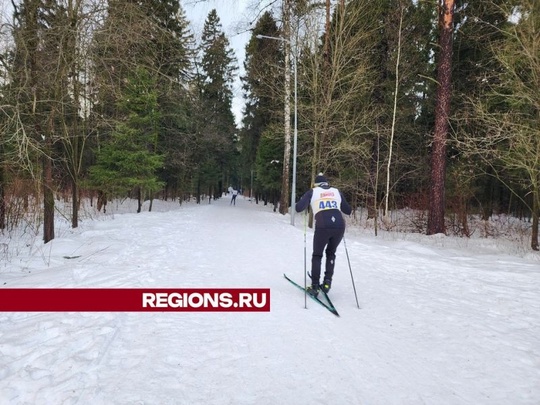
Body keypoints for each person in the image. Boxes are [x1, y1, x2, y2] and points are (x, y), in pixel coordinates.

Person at [295, 173, 352, 297]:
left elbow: (298, 208)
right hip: (339, 226)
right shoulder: (336, 191)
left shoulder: (313, 191)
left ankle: (315, 286)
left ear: (316, 184)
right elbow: (348, 210)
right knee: (331, 253)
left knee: (317, 255)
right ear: (326, 183)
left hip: (323, 225)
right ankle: (327, 282)